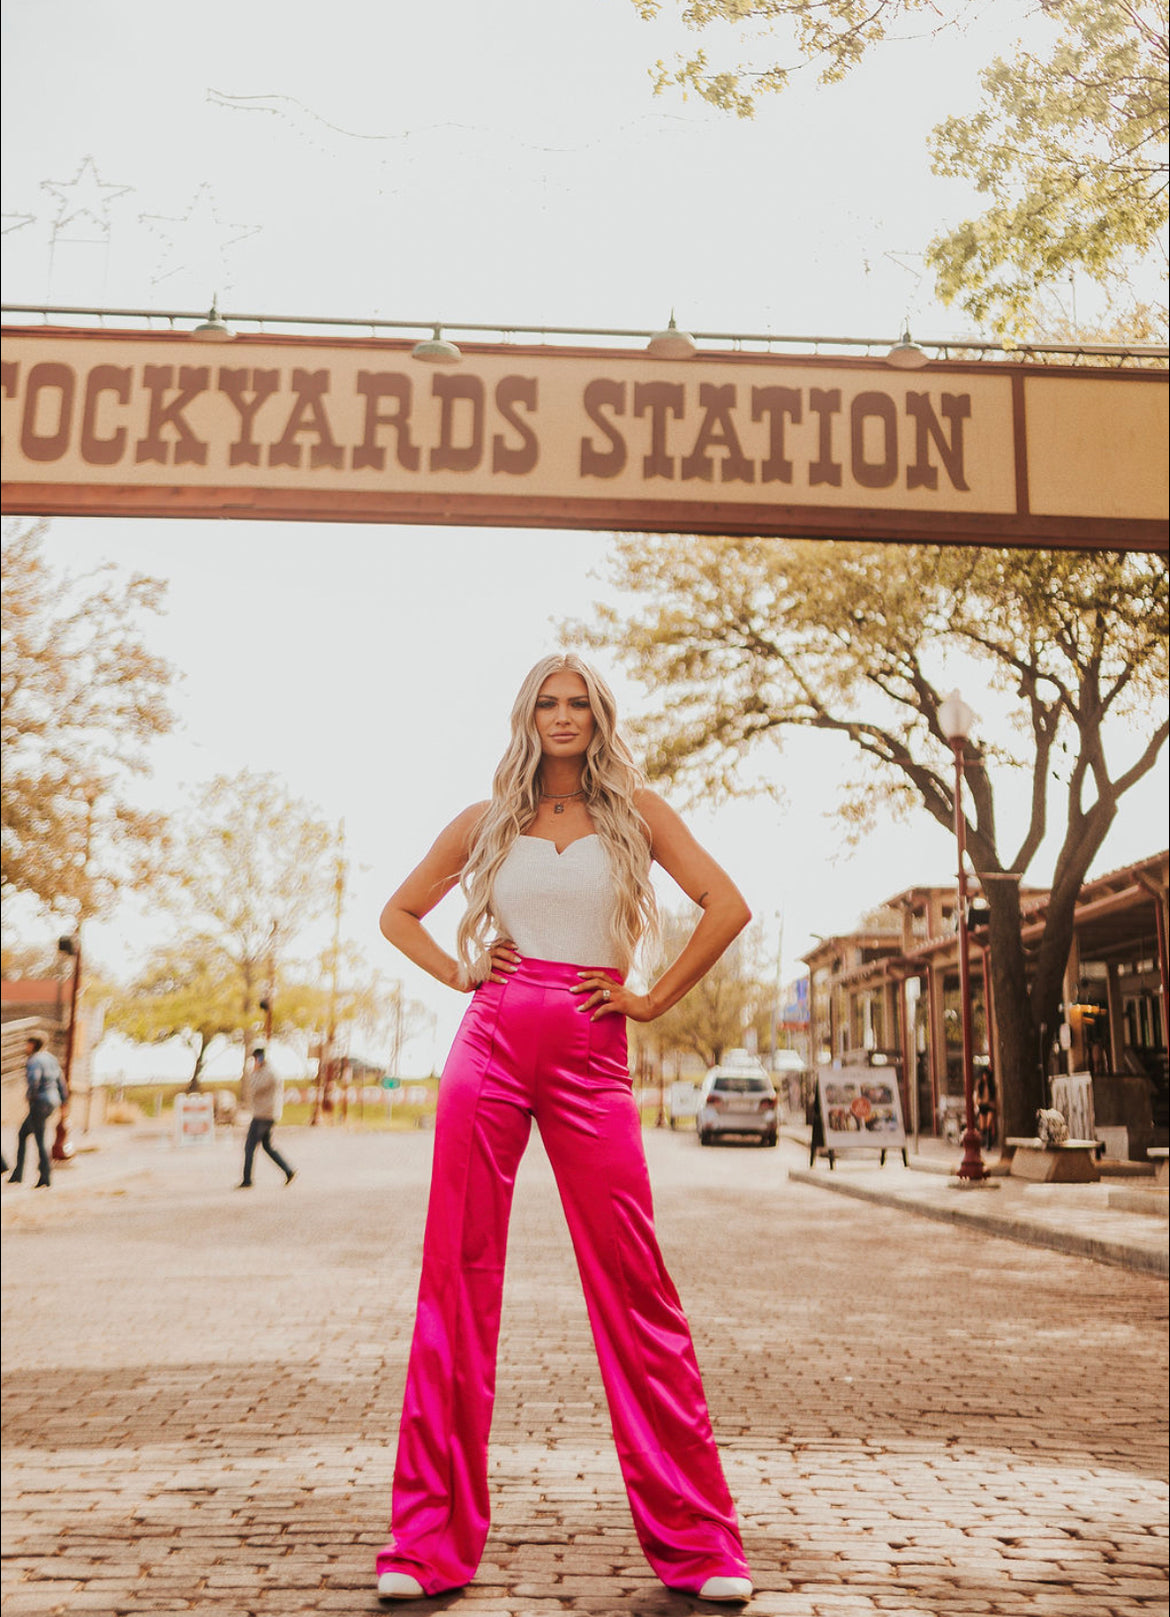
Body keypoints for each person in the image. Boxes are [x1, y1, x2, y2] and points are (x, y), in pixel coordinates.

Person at [374, 653, 754, 1606]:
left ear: (600, 716)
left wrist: (653, 999)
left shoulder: (638, 811)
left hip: (593, 1050)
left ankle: (702, 1545)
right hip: (490, 1044)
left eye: (578, 701)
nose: (563, 715)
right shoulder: (485, 821)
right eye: (548, 701)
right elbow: (398, 913)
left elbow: (728, 904)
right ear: (525, 716)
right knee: (454, 1281)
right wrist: (461, 975)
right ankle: (424, 1545)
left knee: (637, 1286)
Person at [8, 1036, 66, 1188]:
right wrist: (64, 1102)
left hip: (40, 1101)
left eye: (27, 1044)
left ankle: (44, 1176)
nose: (26, 1048)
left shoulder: (34, 1060)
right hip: (53, 1101)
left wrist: (30, 1096)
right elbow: (61, 1082)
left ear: (33, 1045)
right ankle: (19, 1174)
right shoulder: (52, 1059)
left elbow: (35, 1079)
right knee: (26, 1134)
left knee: (38, 1138)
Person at [237, 1047, 295, 1188]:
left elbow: (254, 1087)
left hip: (263, 1114)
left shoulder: (267, 1073)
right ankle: (288, 1170)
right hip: (269, 1114)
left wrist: (254, 1071)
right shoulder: (272, 1071)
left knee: (249, 1146)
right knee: (268, 1146)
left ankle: (247, 1179)